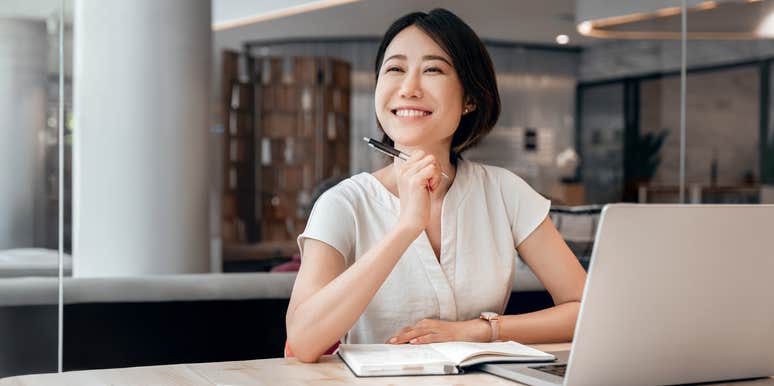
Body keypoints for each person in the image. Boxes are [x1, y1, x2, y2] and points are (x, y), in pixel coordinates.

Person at [285, 8, 587, 363]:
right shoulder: (343, 203)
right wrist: (406, 226)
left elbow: (586, 308)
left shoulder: (506, 192)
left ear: (470, 99)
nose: (408, 88)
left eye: (432, 70)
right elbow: (302, 341)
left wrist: (480, 330)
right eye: (395, 69)